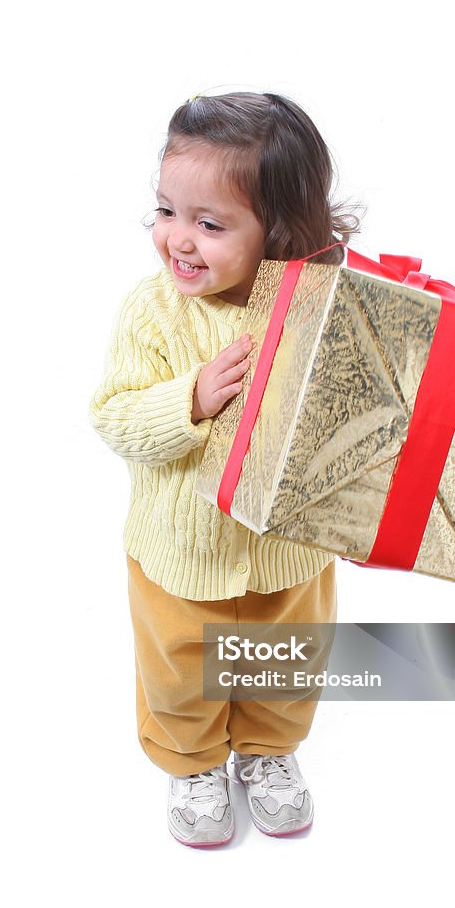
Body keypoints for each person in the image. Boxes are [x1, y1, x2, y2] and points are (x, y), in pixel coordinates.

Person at [88, 91, 362, 847]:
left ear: (277, 232)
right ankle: (192, 759)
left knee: (284, 664)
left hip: (287, 550)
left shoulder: (315, 307)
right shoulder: (152, 313)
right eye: (166, 210)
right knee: (181, 670)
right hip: (182, 550)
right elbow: (113, 415)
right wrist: (193, 399)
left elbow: (351, 424)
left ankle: (269, 752)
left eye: (209, 224)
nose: (179, 238)